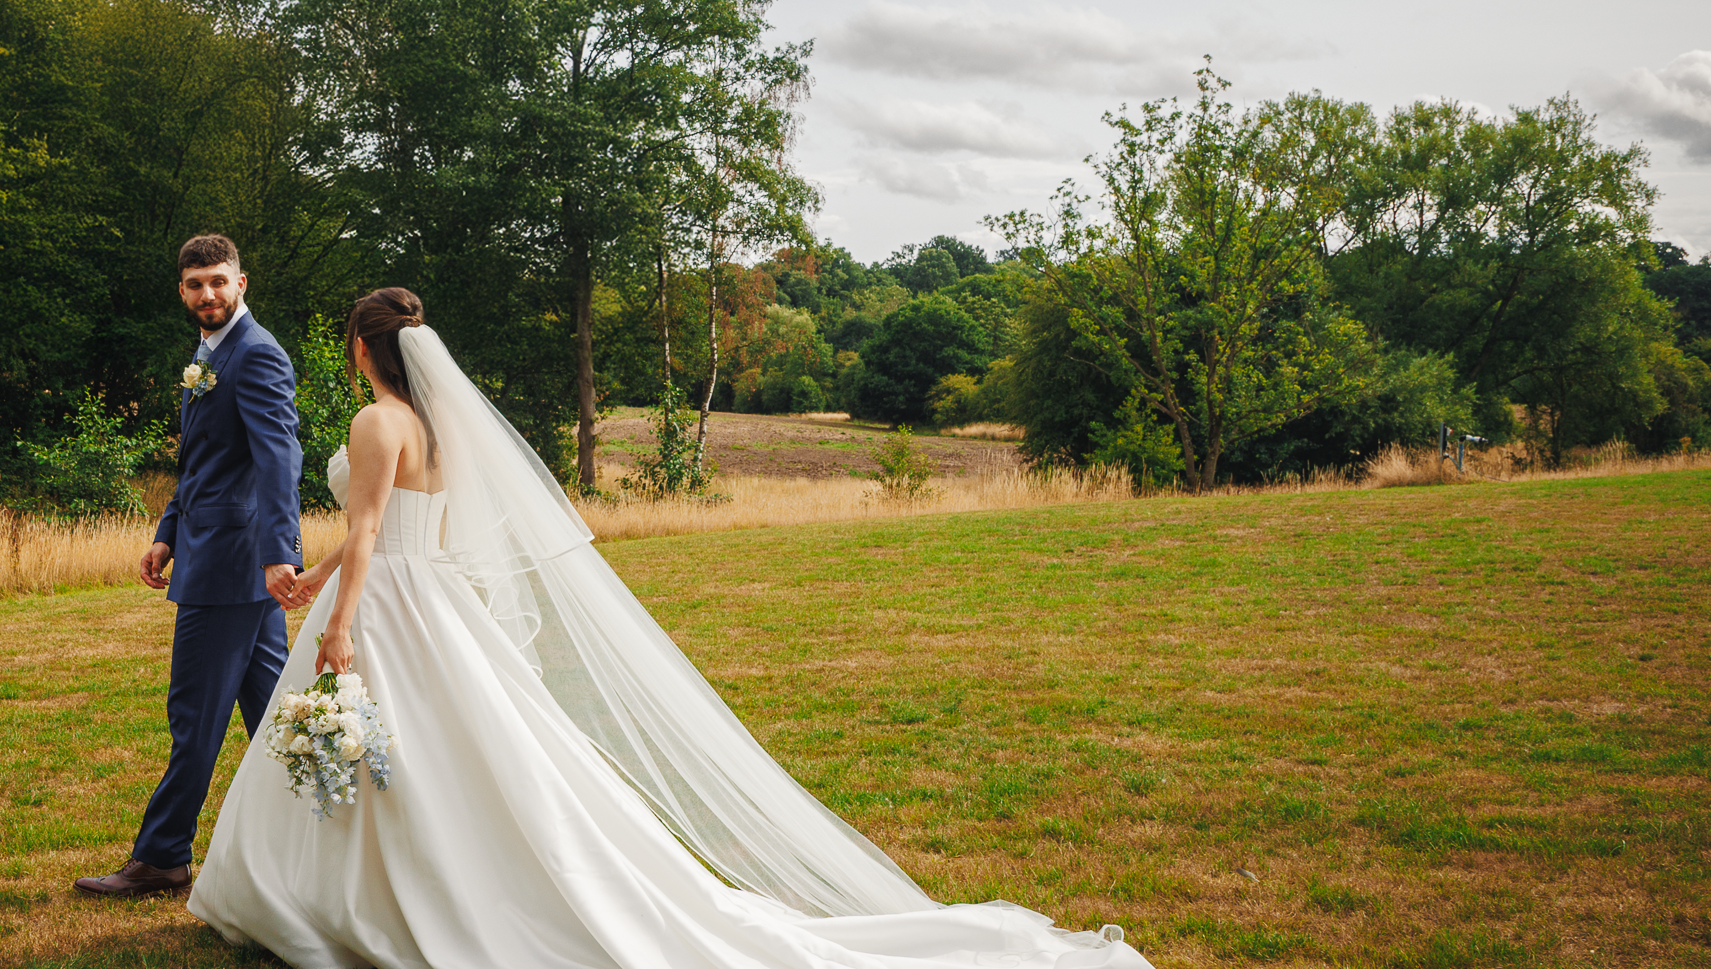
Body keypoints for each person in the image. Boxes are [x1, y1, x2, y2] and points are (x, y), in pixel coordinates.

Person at [184, 287, 1153, 968]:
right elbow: (403, 533)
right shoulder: (440, 427)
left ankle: (341, 902)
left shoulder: (373, 423)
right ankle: (360, 893)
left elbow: (366, 531)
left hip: (390, 606)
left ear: (360, 349)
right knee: (466, 757)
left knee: (397, 756)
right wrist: (312, 583)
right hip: (432, 597)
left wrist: (340, 621)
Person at [73, 234, 304, 898]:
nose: (209, 293)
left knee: (195, 715)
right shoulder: (209, 354)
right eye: (196, 283)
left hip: (235, 568)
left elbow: (278, 462)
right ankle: (324, 839)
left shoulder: (256, 355)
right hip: (214, 554)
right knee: (275, 718)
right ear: (182, 291)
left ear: (242, 283)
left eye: (219, 282)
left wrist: (278, 555)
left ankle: (164, 855)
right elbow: (205, 465)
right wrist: (167, 533)